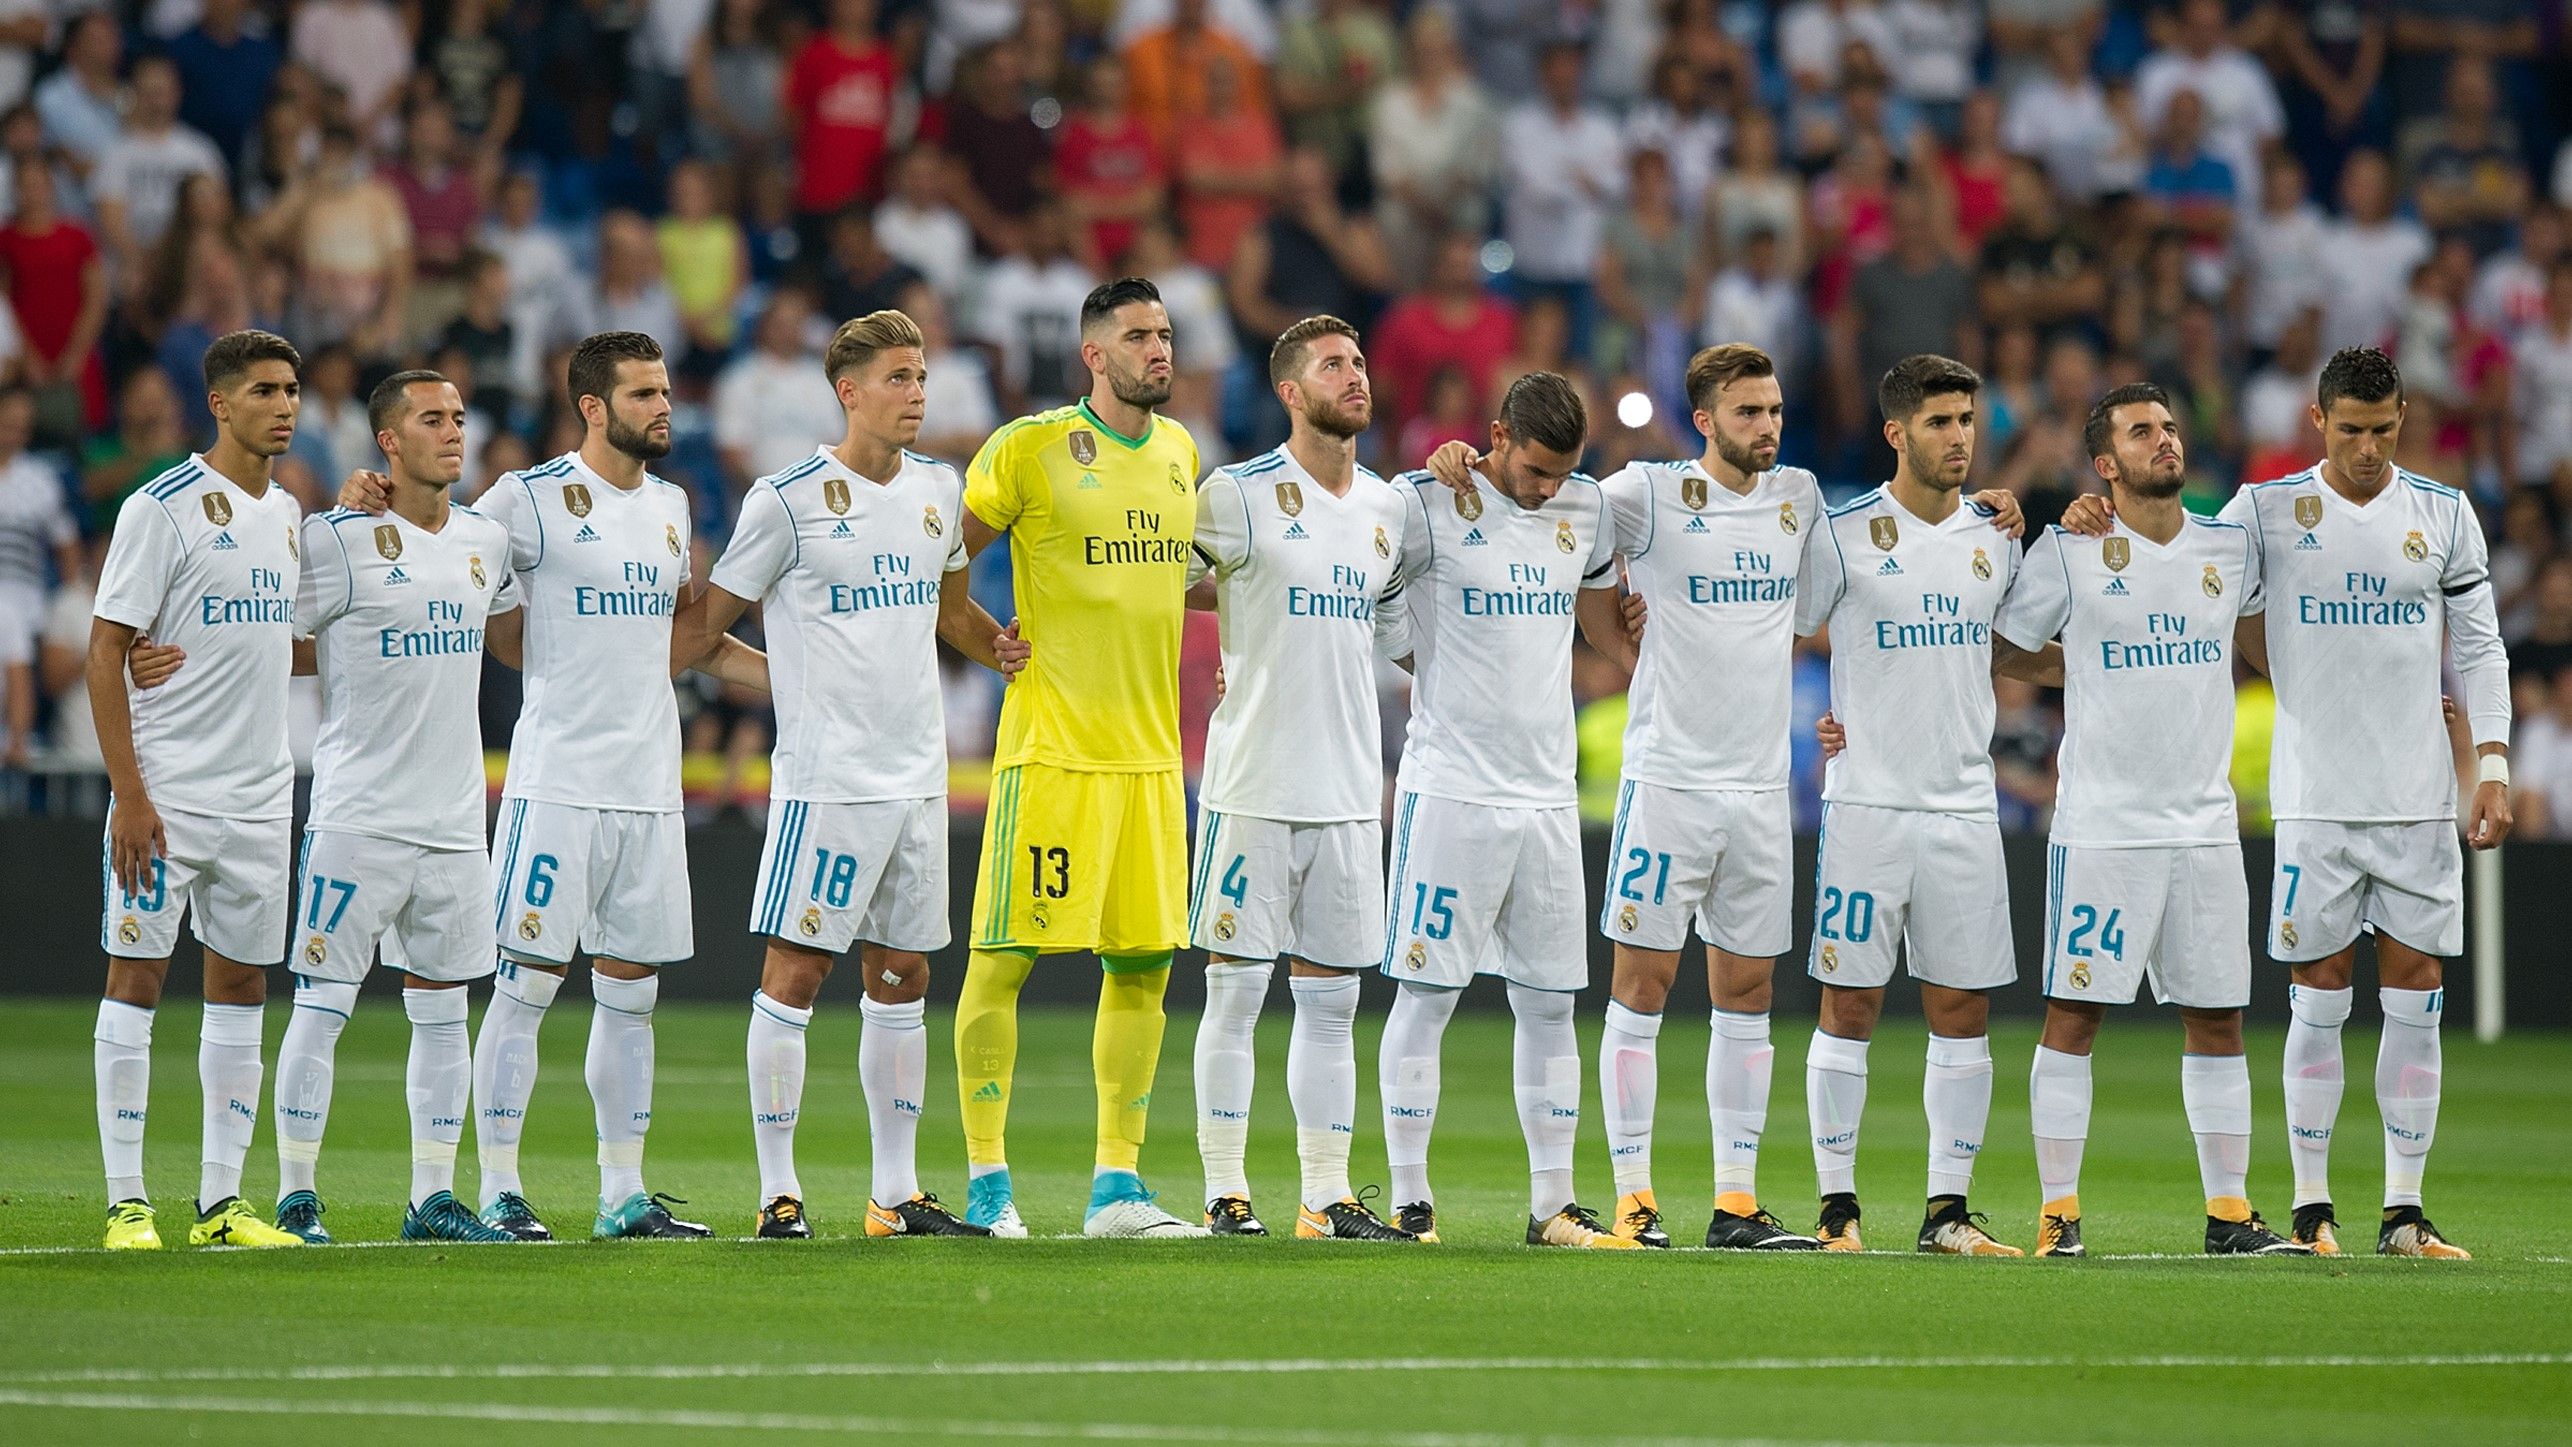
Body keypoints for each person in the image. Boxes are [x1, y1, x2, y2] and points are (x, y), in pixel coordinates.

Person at [2061, 347, 2512, 1258]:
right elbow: (2177, 559)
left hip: (2420, 796)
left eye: (2384, 430)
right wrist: (2093, 513)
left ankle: (2403, 1209)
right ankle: (2312, 1209)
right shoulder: (2265, 512)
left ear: (2403, 418)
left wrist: (2492, 762)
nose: (2369, 448)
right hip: (2315, 800)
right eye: (2350, 430)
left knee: (2417, 992)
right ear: (2319, 421)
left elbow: (2483, 643)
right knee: (2321, 988)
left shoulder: (2443, 512)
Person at [346, 332, 767, 1242]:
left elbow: (681, 639)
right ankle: (499, 1185)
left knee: (632, 991)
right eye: (645, 394)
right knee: (528, 981)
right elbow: (439, 554)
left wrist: (802, 680)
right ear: (592, 406)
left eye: (665, 392)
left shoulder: (670, 505)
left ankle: (624, 1193)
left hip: (650, 787)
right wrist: (364, 500)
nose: (664, 407)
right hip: (559, 783)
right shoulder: (525, 499)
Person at [673, 310, 1026, 1240]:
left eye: (923, 377)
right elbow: (705, 638)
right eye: (901, 378)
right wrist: (789, 682)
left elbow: (950, 612)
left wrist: (1007, 652)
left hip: (916, 775)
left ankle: (895, 1193)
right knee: (795, 971)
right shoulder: (784, 499)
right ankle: (779, 1191)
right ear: (849, 391)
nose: (919, 394)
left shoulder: (938, 491)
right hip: (828, 779)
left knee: (903, 973)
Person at [1993, 383, 2311, 1257]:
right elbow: (2002, 644)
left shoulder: (2227, 546)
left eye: (2170, 426)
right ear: (2106, 463)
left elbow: (2260, 642)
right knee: (2074, 1016)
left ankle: (2231, 1213)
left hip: (2205, 825)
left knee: (2218, 1019)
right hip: (2102, 825)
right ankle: (2059, 1212)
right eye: (2142, 432)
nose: (2165, 440)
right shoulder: (2069, 550)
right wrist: (2084, 667)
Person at [952, 278, 1208, 1238]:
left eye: (1167, 334)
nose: (1160, 350)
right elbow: (945, 550)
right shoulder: (1030, 446)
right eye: (1140, 335)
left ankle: (1117, 1188)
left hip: (1150, 762)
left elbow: (1184, 586)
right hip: (1052, 752)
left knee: (1142, 966)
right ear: (1094, 354)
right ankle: (987, 1186)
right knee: (1004, 958)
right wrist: (975, 634)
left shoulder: (1182, 455)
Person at [1796, 355, 2052, 1256]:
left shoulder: (1998, 535)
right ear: (1897, 433)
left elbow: (2020, 649)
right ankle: (1838, 1210)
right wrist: (1815, 724)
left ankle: (1948, 1210)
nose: (1958, 437)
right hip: (1867, 803)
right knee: (1850, 1006)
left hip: (1961, 808)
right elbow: (1778, 633)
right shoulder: (1842, 532)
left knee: (1962, 1011)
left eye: (1967, 421)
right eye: (1939, 422)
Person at [1374, 372, 1636, 1250]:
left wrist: (1629, 626)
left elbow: (1599, 620)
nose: (1546, 488)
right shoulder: (1425, 500)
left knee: (1551, 1001)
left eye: (1561, 472)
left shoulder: (1587, 511)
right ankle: (1411, 1198)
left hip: (1546, 797)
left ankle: (1553, 1205)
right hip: (1451, 789)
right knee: (1427, 990)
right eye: (1532, 469)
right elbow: (1365, 599)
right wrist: (1427, 663)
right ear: (1494, 435)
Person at [266, 370, 523, 1246]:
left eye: (458, 416)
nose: (453, 430)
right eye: (431, 418)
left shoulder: (486, 542)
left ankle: (432, 1199)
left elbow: (520, 638)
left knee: (445, 1009)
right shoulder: (337, 538)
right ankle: (296, 1193)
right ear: (388, 440)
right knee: (322, 1003)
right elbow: (278, 644)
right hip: (357, 815)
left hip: (454, 820)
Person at [1183, 316, 1414, 1241]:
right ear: (1289, 390)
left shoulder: (1390, 507)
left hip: (1352, 789)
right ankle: (1226, 1188)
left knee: (1332, 1001)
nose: (1354, 376)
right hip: (1252, 782)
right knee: (1234, 991)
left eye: (1358, 361)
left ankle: (1325, 1193)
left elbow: (1397, 635)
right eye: (1332, 365)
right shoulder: (1236, 494)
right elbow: (1167, 585)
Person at [89, 330, 310, 1251]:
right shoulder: (163, 507)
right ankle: (126, 1200)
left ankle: (222, 1203)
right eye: (264, 390)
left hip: (261, 795)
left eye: (292, 390)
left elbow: (271, 643)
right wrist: (130, 795)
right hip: (170, 792)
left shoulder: (290, 514)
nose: (285, 406)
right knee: (136, 976)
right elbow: (107, 648)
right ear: (219, 404)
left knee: (244, 983)